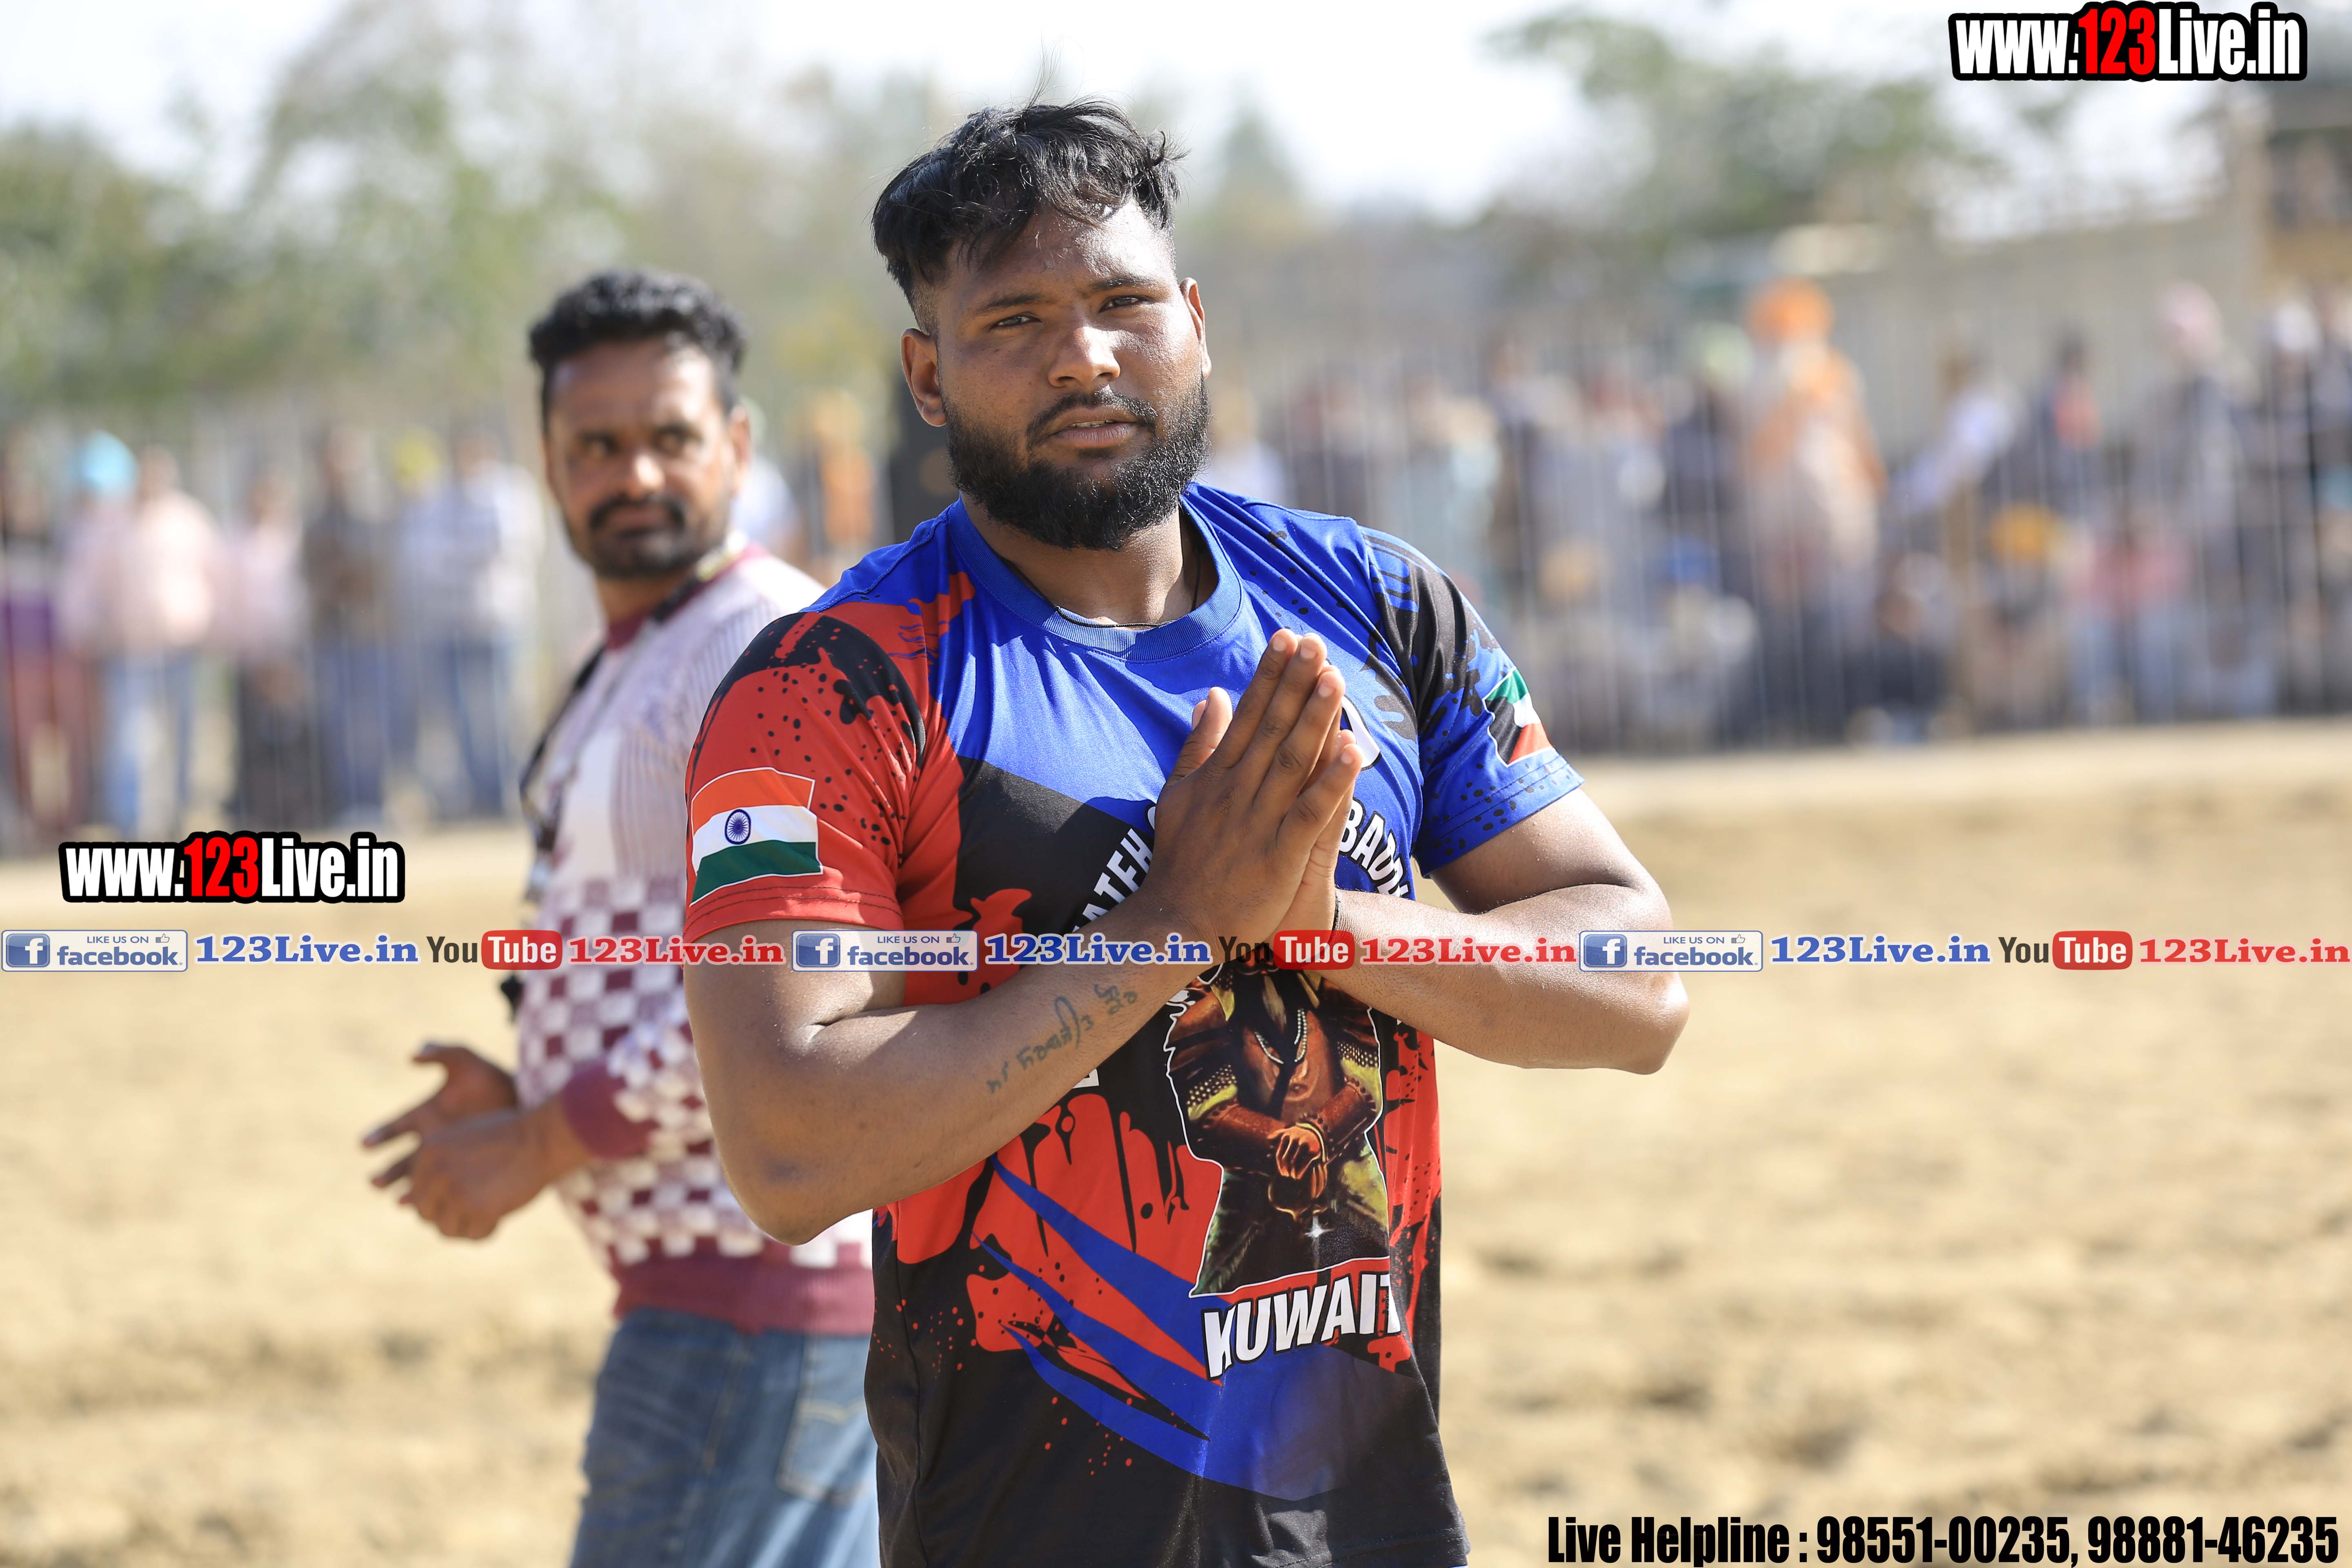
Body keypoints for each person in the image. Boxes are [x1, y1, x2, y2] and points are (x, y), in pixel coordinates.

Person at [679, 101, 1688, 1568]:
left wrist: (1325, 927)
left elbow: (1640, 982)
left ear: (1195, 323)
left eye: (1122, 303)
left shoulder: (1377, 605)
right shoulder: (829, 688)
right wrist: (1166, 930)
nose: (1082, 356)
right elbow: (786, 1148)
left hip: (1367, 1521)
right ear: (927, 375)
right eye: (1013, 320)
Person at [361, 269, 869, 1568]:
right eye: (597, 445)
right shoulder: (646, 649)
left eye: (671, 438)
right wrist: (525, 1089)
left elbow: (792, 981)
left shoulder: (762, 647)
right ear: (547, 464)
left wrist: (546, 1135)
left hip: (754, 1307)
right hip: (728, 1309)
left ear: (738, 448)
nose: (634, 473)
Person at [58, 441, 223, 837]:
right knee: (131, 742)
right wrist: (89, 630)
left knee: (183, 738)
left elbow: (219, 576)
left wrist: (215, 627)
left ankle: (180, 816)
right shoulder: (111, 526)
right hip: (129, 652)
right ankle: (132, 823)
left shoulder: (189, 520)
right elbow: (84, 585)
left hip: (183, 649)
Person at [397, 425, 543, 818]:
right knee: (461, 715)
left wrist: (458, 558)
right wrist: (464, 559)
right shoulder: (436, 499)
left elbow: (508, 547)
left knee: (504, 710)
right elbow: (423, 558)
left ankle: (509, 792)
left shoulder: (510, 491)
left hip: (499, 623)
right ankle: (478, 795)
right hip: (449, 628)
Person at [303, 426, 401, 824]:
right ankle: (347, 805)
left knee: (374, 725)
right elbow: (311, 576)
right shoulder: (315, 520)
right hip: (332, 635)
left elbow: (384, 572)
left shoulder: (375, 514)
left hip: (372, 635)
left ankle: (376, 802)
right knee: (338, 725)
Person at [220, 468, 319, 826]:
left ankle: (298, 806)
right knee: (251, 736)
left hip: (289, 653)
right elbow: (229, 598)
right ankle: (255, 807)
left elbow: (301, 596)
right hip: (250, 655)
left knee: (293, 734)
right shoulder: (234, 541)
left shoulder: (293, 538)